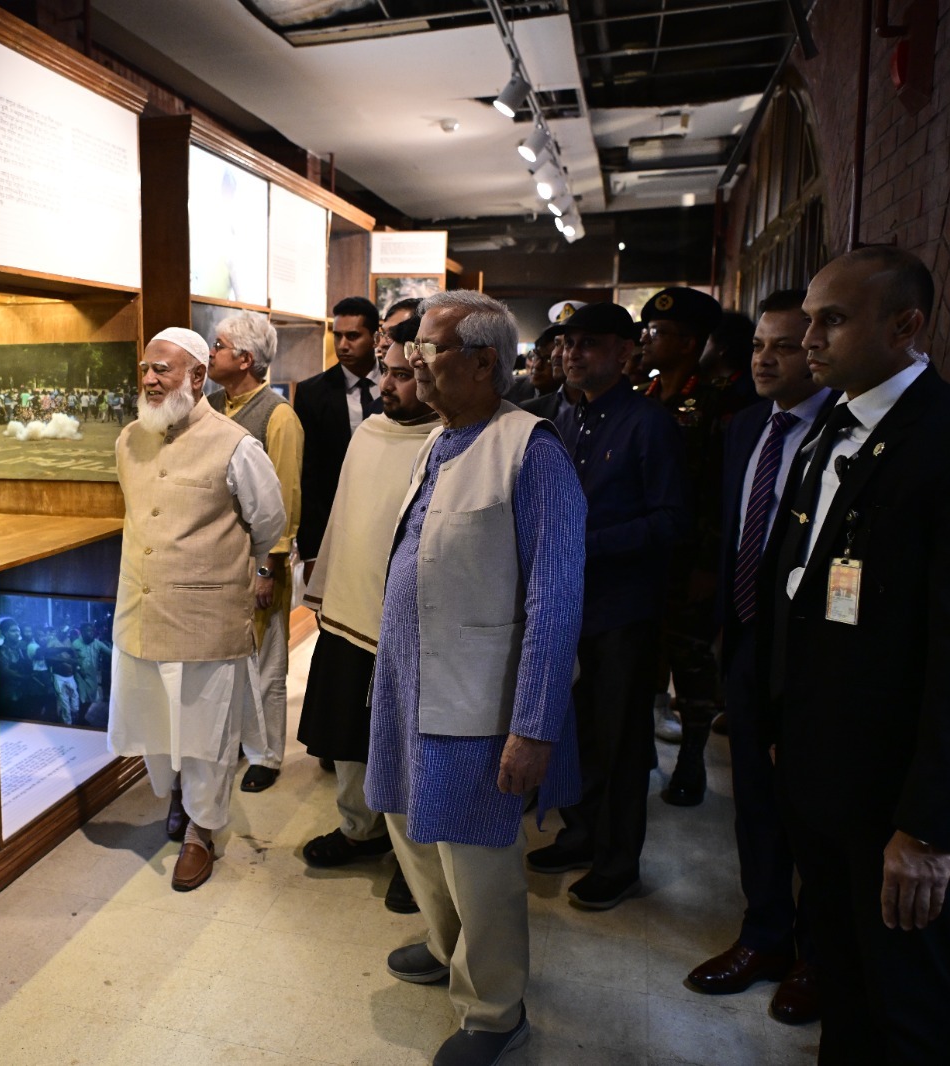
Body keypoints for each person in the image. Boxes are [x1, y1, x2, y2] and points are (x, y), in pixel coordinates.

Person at [756, 247, 950, 1061]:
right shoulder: (830, 428)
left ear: (905, 325)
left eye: (833, 320)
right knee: (842, 981)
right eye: (808, 321)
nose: (808, 340)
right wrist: (783, 724)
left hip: (898, 791)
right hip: (821, 768)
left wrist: (927, 828)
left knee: (907, 1001)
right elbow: (802, 594)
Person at [367, 290, 586, 1066]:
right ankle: (445, 944)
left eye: (429, 349)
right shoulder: (440, 440)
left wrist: (534, 726)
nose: (412, 362)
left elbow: (556, 600)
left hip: (476, 697)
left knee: (477, 857)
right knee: (410, 826)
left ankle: (494, 1009)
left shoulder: (532, 452)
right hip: (409, 684)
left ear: (484, 361)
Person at [683, 288, 833, 1023]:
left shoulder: (841, 431)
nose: (765, 360)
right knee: (754, 805)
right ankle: (765, 936)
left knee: (816, 813)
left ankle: (819, 959)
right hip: (745, 638)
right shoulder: (747, 425)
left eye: (785, 346)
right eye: (758, 346)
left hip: (813, 654)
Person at [107, 327, 285, 891]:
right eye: (146, 369)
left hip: (207, 619)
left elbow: (269, 523)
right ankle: (178, 796)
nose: (150, 379)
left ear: (198, 376)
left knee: (208, 732)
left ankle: (202, 831)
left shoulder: (236, 445)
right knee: (156, 722)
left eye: (163, 369)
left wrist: (228, 569)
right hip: (142, 612)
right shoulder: (129, 439)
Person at [525, 302, 687, 910]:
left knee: (619, 741)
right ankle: (582, 834)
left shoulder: (649, 424)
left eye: (588, 343)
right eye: (567, 343)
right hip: (560, 604)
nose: (571, 354)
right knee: (574, 731)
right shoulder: (557, 416)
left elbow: (670, 522)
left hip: (621, 610)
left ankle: (619, 862)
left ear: (625, 352)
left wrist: (584, 543)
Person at [297, 312, 438, 911]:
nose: (388, 385)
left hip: (410, 625)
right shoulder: (370, 433)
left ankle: (415, 858)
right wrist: (326, 583)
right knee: (348, 737)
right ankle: (360, 829)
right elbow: (346, 515)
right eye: (387, 372)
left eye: (403, 376)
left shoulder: (449, 440)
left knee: (407, 744)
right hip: (350, 612)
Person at [637, 286, 749, 806]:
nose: (647, 340)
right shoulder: (646, 394)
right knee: (645, 657)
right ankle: (643, 751)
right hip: (645, 556)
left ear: (688, 343)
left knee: (692, 662)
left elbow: (721, 492)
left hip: (691, 559)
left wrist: (709, 563)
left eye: (658, 333)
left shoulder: (720, 402)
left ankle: (691, 760)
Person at [206, 312, 303, 793]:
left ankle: (266, 755)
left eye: (218, 346)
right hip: (217, 560)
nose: (210, 353)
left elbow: (285, 500)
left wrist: (268, 567)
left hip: (260, 563)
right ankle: (236, 742)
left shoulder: (277, 415)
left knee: (266, 663)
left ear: (245, 359)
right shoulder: (209, 406)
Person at [294, 296, 383, 581]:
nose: (343, 345)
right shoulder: (311, 393)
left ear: (375, 337)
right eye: (338, 335)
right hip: (336, 522)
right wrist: (311, 553)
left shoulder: (399, 381)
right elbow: (308, 477)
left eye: (353, 336)